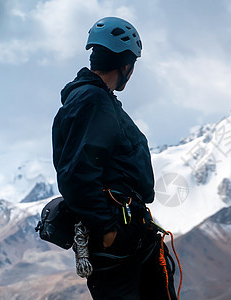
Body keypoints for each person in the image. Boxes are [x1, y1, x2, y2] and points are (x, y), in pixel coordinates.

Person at [52, 17, 177, 299]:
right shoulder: (92, 100)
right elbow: (76, 174)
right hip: (115, 239)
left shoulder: (97, 99)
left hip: (128, 233)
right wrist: (108, 229)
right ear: (126, 66)